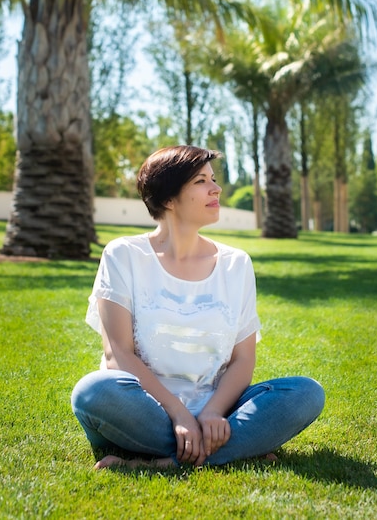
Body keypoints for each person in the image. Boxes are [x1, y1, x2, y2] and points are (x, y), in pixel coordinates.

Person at [71, 145, 325, 470]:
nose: (216, 188)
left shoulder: (236, 264)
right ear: (168, 199)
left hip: (218, 410)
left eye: (213, 179)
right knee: (92, 391)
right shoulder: (123, 255)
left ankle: (162, 461)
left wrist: (211, 412)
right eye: (200, 181)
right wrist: (178, 413)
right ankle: (233, 447)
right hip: (142, 406)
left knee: (305, 393)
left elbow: (243, 358)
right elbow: (118, 354)